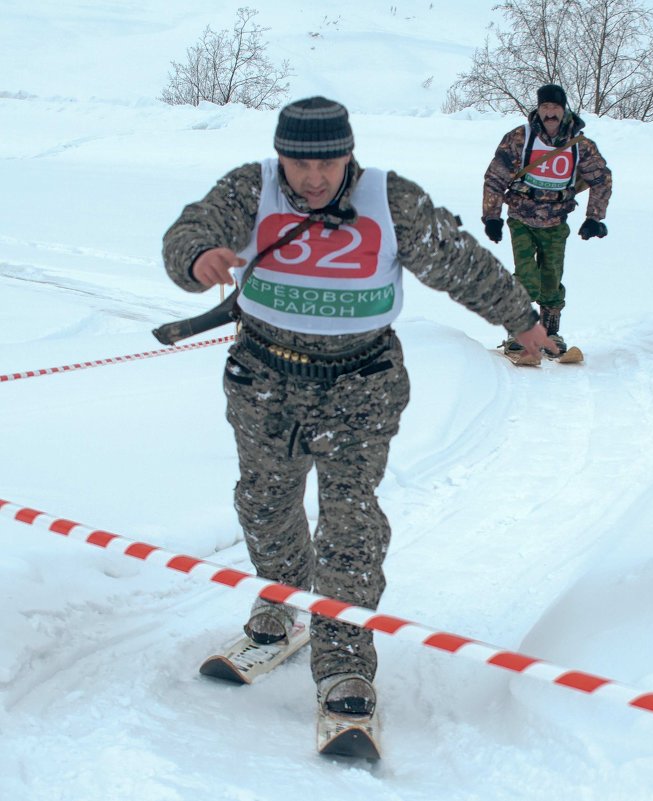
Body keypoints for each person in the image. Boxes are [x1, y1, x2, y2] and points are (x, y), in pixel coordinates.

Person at [162, 96, 555, 721]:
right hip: (263, 377)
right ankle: (280, 602)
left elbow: (461, 262)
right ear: (280, 156)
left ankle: (344, 665)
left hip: (360, 386)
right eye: (298, 164)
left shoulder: (390, 199)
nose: (313, 178)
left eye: (329, 162)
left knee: (349, 525)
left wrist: (521, 319)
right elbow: (189, 229)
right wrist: (197, 257)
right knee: (264, 504)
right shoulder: (251, 186)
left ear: (350, 153)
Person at [482, 83, 612, 356]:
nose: (549, 112)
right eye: (544, 107)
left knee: (552, 279)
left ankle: (551, 333)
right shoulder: (520, 138)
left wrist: (594, 218)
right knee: (527, 277)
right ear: (538, 109)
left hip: (556, 222)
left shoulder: (581, 145)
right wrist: (491, 217)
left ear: (564, 110)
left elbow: (601, 179)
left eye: (554, 107)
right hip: (521, 218)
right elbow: (495, 177)